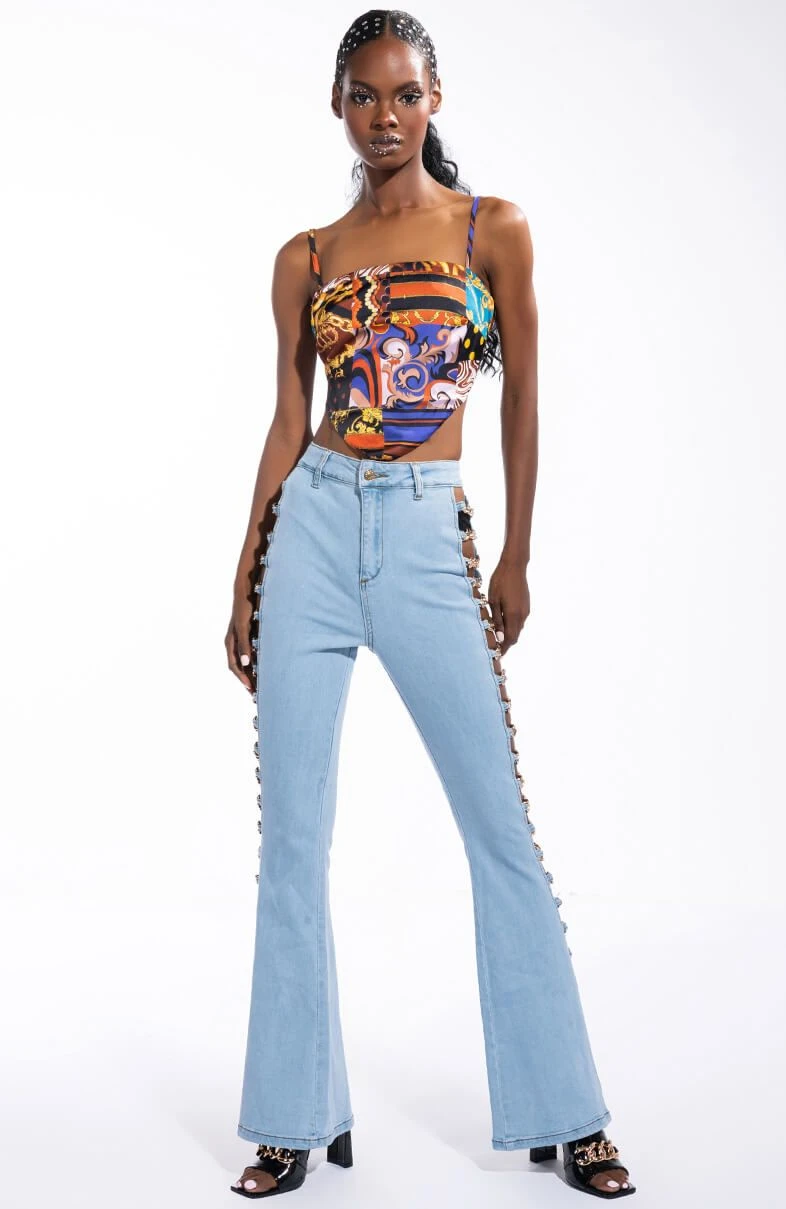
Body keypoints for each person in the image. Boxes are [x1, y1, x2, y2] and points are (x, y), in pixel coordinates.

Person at [225, 8, 636, 1201]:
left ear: (434, 100)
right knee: (291, 844)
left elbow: (522, 399)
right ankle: (293, 1119)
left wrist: (515, 555)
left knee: (498, 832)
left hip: (422, 534)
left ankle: (568, 1115)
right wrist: (245, 569)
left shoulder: (485, 228)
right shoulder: (306, 256)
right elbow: (288, 423)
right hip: (309, 533)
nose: (383, 115)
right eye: (363, 95)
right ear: (337, 105)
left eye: (404, 93)